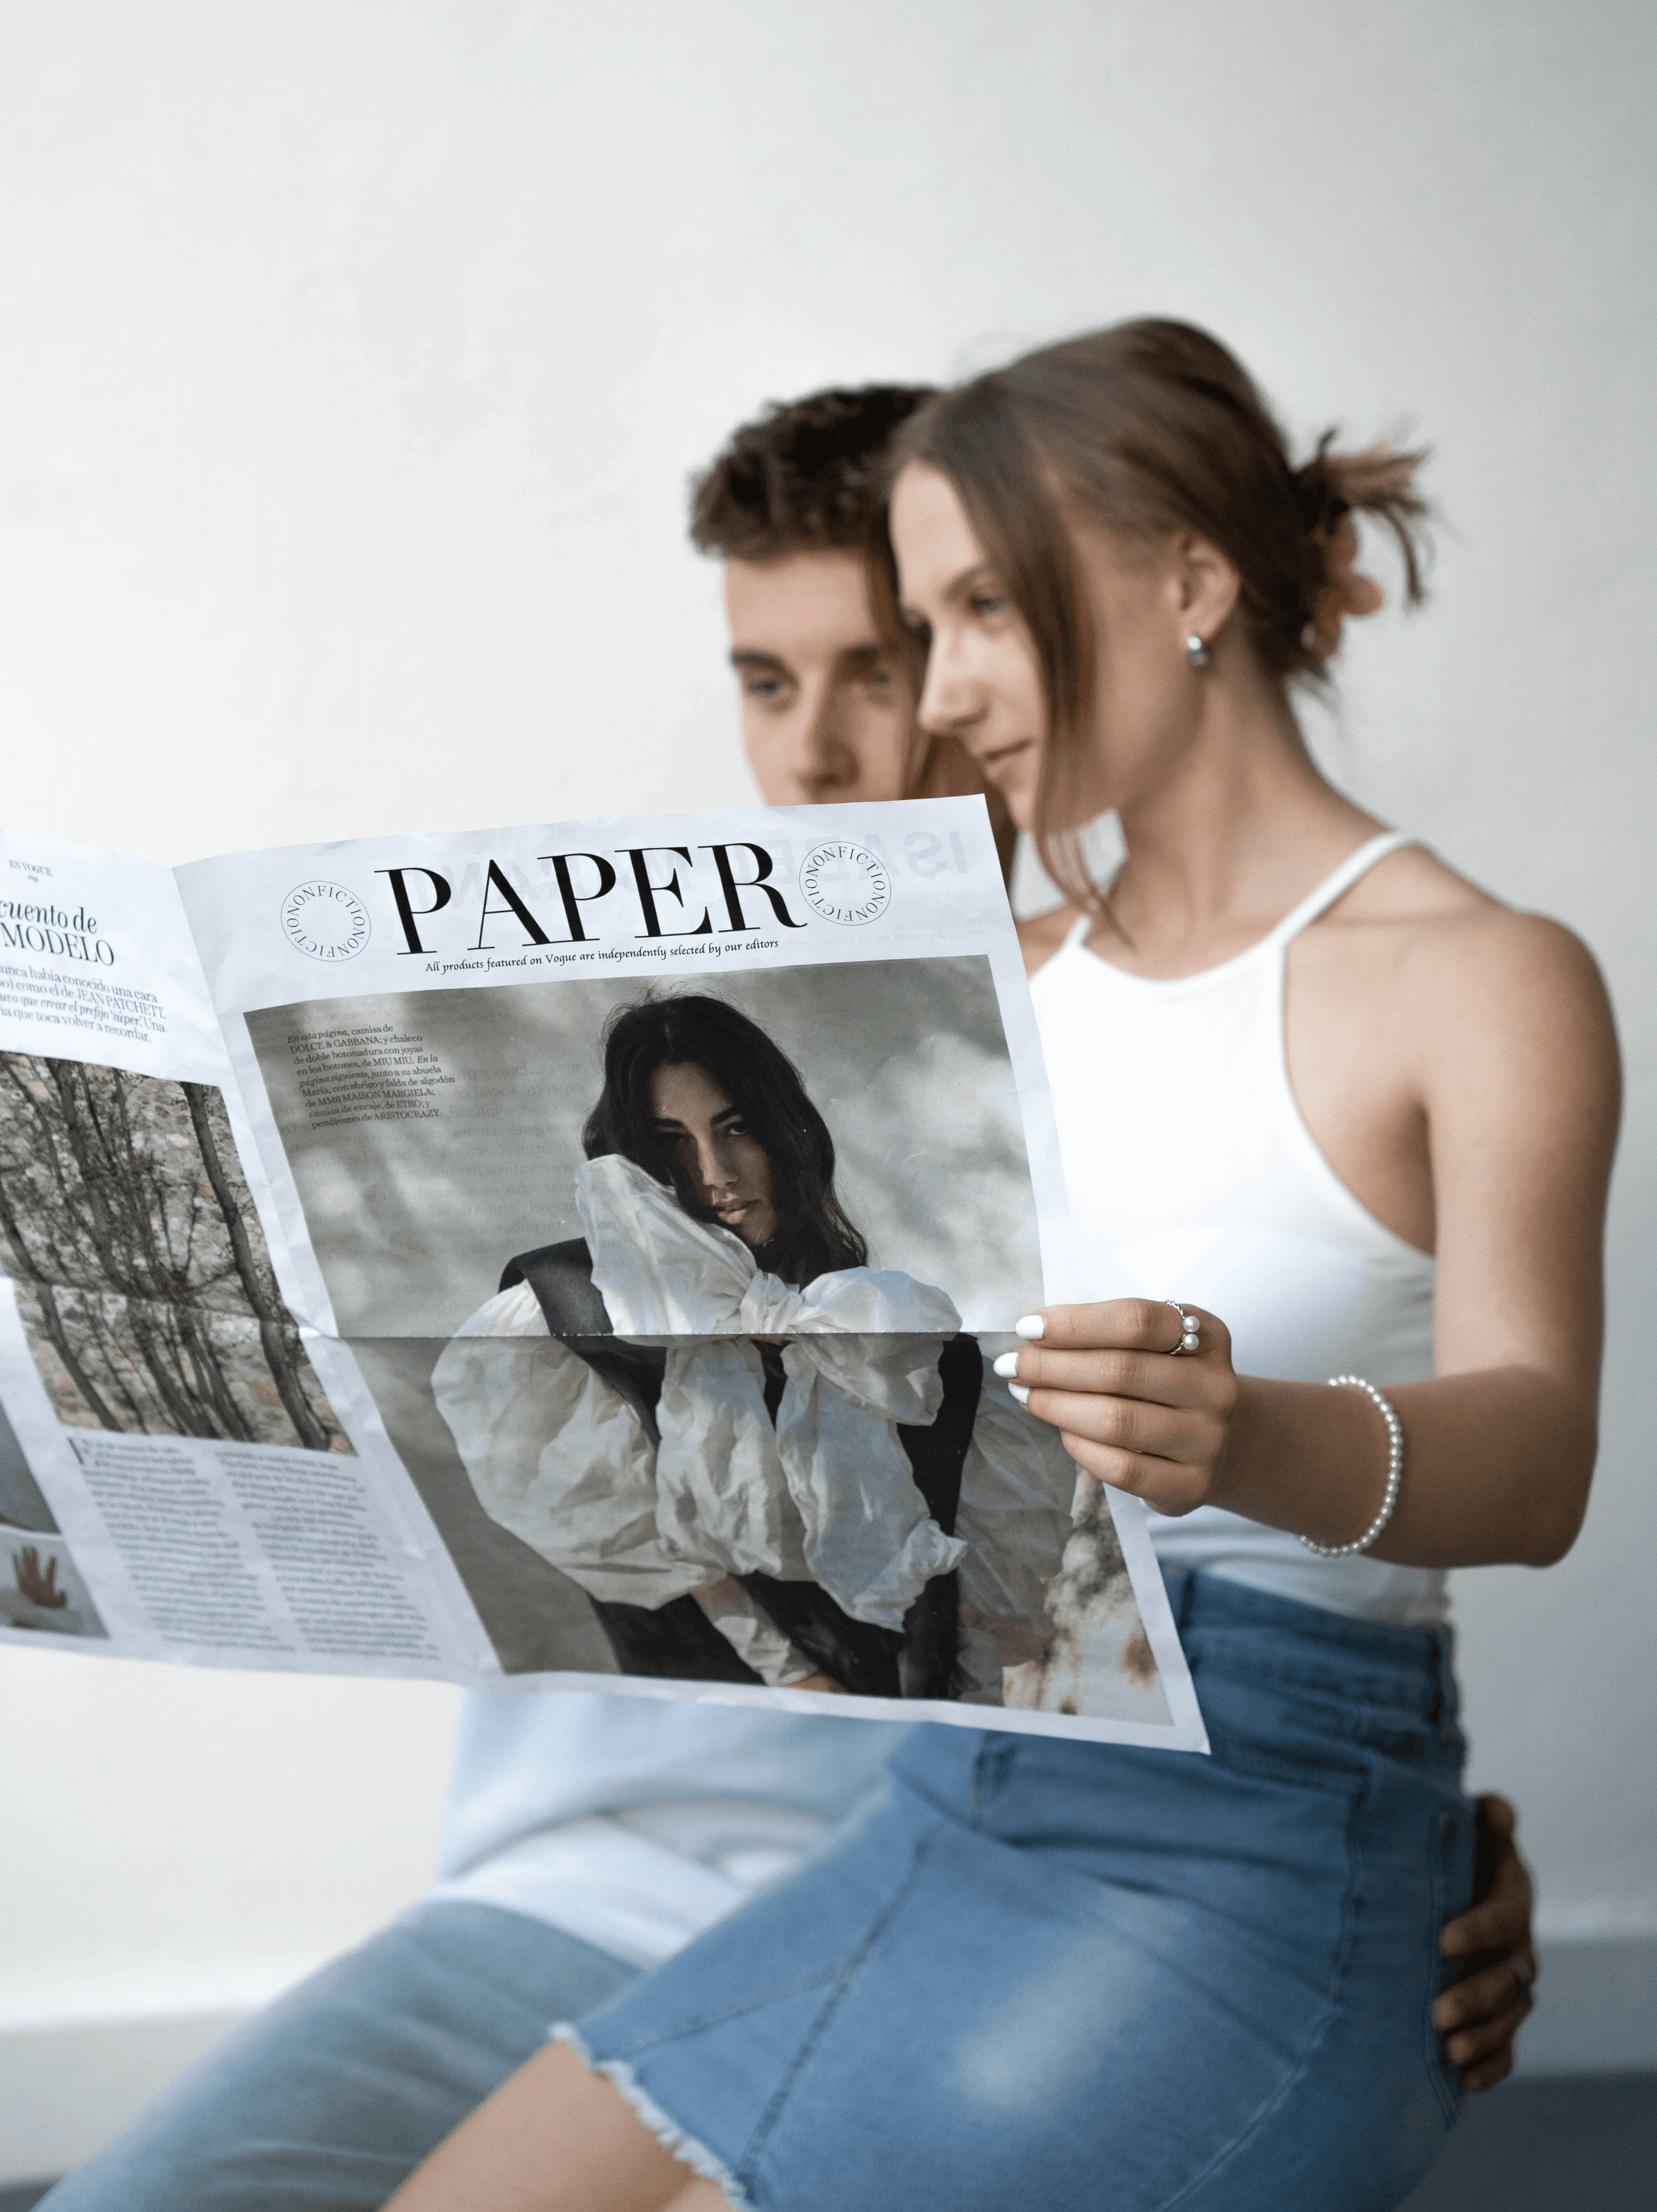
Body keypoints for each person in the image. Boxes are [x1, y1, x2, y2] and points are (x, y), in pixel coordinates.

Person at [40, 380, 1538, 2212]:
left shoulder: (1162, 1009)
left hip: (1009, 1877)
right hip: (574, 1899)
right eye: (764, 680)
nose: (818, 754)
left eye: (892, 656)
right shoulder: (637, 1019)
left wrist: (1419, 1841)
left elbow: (1318, 1513)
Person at [431, 990, 1026, 1701]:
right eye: (673, 1142)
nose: (715, 1174)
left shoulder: (876, 1318)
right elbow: (638, 1542)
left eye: (735, 1128)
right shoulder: (569, 1312)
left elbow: (964, 1572)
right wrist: (795, 1675)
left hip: (909, 1690)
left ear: (786, 1132)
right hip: (729, 1684)